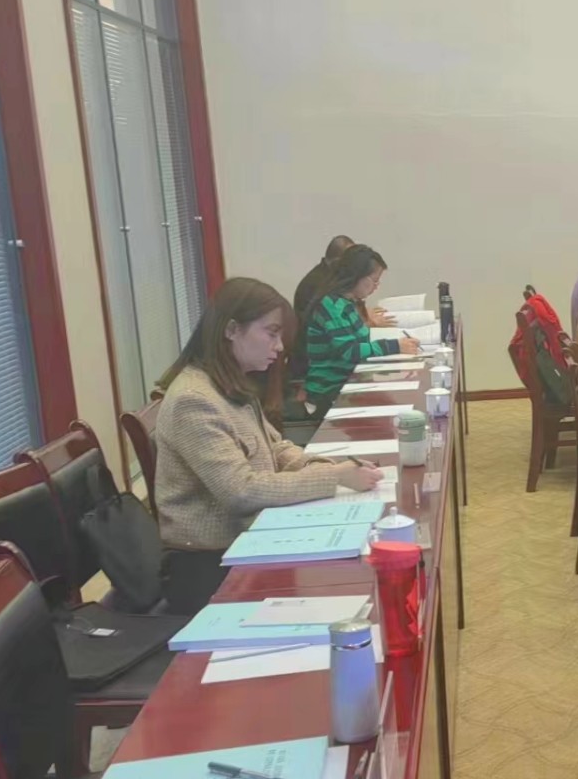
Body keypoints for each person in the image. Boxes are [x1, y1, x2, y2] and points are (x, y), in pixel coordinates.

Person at [155, 279, 383, 614]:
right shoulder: (194, 399)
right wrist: (334, 478)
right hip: (210, 563)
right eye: (271, 333)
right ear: (232, 329)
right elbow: (241, 491)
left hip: (249, 538)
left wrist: (326, 467)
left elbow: (276, 448)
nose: (279, 348)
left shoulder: (230, 383)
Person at [302, 245, 418, 412]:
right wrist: (395, 345)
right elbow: (351, 351)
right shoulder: (332, 305)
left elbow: (360, 339)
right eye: (375, 280)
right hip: (330, 389)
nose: (377, 286)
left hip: (350, 382)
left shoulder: (349, 303)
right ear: (358, 276)